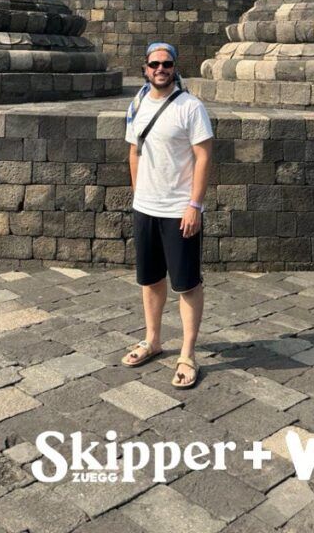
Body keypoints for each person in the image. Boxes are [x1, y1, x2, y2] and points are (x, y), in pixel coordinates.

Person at [120, 42, 213, 388]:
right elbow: (134, 151)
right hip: (146, 207)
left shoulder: (191, 107)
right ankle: (153, 339)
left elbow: (203, 156)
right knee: (150, 279)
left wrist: (194, 205)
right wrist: (138, 194)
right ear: (145, 68)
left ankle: (187, 353)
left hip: (178, 210)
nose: (161, 69)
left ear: (175, 67)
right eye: (155, 64)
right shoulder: (137, 104)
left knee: (187, 283)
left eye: (167, 64)